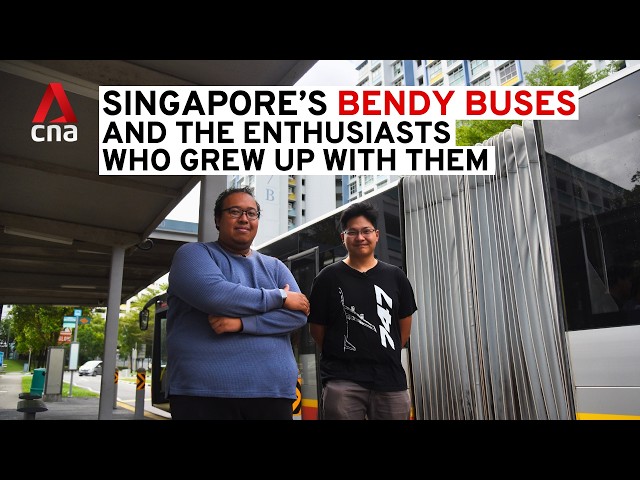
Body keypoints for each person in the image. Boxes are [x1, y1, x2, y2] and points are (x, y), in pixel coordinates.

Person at [166, 186, 310, 420]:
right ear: (217, 219)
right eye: (234, 211)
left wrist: (241, 323)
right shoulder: (193, 255)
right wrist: (280, 297)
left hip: (273, 395)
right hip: (204, 396)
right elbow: (217, 296)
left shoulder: (275, 266)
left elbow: (299, 314)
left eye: (251, 213)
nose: (244, 218)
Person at [308, 201, 417, 420]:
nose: (360, 237)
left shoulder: (396, 276)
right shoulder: (327, 278)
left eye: (366, 231)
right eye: (353, 232)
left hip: (390, 380)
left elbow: (403, 328)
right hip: (343, 381)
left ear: (376, 235)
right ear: (343, 237)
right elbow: (317, 329)